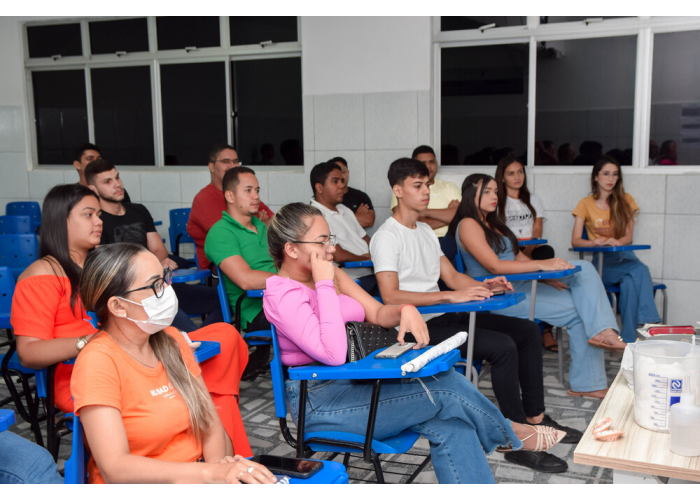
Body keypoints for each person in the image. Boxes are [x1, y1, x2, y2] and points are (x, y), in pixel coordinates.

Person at [262, 202, 566, 484]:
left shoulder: (332, 275)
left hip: (360, 384)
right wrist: (324, 284)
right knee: (446, 387)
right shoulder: (282, 293)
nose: (330, 249)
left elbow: (378, 313)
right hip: (322, 404)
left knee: (454, 424)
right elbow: (332, 353)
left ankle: (504, 438)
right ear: (291, 249)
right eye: (321, 242)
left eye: (330, 239)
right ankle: (509, 434)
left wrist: (405, 309)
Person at [371, 159, 578, 473]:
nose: (426, 191)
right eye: (417, 186)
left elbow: (453, 278)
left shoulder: (425, 231)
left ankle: (535, 417)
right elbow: (390, 296)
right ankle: (515, 439)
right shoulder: (386, 236)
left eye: (427, 185)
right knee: (502, 347)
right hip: (416, 328)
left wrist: (484, 286)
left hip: (444, 315)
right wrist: (448, 296)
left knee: (527, 332)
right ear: (398, 191)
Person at [11, 185, 251, 453]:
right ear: (60, 221)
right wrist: (90, 341)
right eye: (88, 215)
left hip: (142, 351)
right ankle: (229, 457)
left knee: (225, 335)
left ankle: (213, 442)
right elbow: (29, 352)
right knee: (215, 397)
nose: (99, 222)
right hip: (88, 371)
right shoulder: (40, 276)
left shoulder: (104, 263)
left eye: (99, 214)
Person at [70, 243, 274, 484]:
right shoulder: (97, 362)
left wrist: (218, 475)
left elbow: (209, 422)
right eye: (155, 285)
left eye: (164, 279)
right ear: (118, 306)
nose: (167, 290)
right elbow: (115, 468)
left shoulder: (171, 339)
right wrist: (211, 474)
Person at [450, 173, 625, 400]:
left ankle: (601, 339)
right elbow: (494, 266)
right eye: (487, 192)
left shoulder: (493, 223)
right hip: (500, 295)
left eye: (495, 191)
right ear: (470, 194)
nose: (494, 196)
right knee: (583, 305)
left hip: (523, 284)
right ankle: (590, 374)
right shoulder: (468, 224)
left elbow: (518, 257)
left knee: (584, 272)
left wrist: (544, 277)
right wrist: (543, 264)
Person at [85, 159, 222, 332]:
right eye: (107, 182)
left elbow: (160, 250)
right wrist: (153, 265)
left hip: (159, 286)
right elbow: (109, 267)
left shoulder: (139, 210)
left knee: (222, 300)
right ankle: (191, 340)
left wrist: (153, 265)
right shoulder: (97, 222)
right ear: (93, 189)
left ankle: (199, 338)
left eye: (117, 178)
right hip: (134, 296)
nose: (117, 184)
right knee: (176, 319)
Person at [572, 156, 662, 343]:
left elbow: (628, 237)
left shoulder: (626, 200)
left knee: (629, 283)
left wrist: (616, 241)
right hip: (603, 262)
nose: (610, 179)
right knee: (641, 270)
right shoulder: (585, 204)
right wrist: (595, 242)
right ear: (596, 177)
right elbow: (576, 241)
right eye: (605, 174)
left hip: (626, 257)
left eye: (615, 174)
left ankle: (628, 342)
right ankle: (650, 322)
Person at [205, 166, 274, 378]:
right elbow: (245, 280)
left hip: (282, 299)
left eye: (257, 190)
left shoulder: (261, 227)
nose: (256, 196)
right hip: (257, 312)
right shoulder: (220, 233)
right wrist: (293, 280)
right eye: (248, 190)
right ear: (230, 196)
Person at [494, 154, 559, 352]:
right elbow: (498, 235)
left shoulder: (533, 200)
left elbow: (537, 230)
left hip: (532, 249)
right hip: (509, 250)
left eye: (520, 172)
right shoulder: (497, 202)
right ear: (502, 177)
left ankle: (545, 329)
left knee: (547, 252)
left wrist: (528, 255)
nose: (517, 177)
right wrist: (521, 255)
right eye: (511, 173)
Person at [187, 145, 274, 270]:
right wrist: (257, 224)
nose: (233, 166)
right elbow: (228, 233)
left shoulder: (247, 197)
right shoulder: (204, 198)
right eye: (226, 161)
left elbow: (274, 222)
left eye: (235, 161)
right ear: (212, 167)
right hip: (222, 268)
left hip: (256, 261)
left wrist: (257, 225)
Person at [309, 162, 377, 294]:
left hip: (370, 272)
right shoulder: (316, 215)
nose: (342, 185)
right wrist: (365, 259)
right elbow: (338, 255)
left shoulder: (344, 209)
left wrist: (380, 252)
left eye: (342, 180)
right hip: (351, 279)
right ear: (319, 187)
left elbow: (366, 239)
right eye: (335, 181)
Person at [390, 145, 462, 240]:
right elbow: (408, 222)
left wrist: (424, 212)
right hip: (418, 238)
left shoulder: (450, 186)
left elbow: (461, 214)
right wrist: (449, 218)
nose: (428, 166)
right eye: (423, 163)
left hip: (449, 239)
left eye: (431, 162)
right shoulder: (403, 190)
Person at [330, 156, 375, 228]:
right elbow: (327, 222)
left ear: (348, 172)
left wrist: (338, 219)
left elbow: (369, 221)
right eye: (337, 173)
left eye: (343, 172)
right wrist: (355, 216)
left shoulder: (360, 196)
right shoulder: (326, 198)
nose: (341, 176)